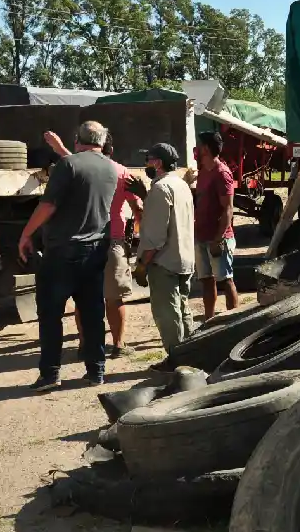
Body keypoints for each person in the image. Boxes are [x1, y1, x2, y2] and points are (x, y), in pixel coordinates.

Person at [19, 121, 116, 391]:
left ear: (77, 139)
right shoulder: (110, 167)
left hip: (63, 251)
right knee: (92, 313)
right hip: (95, 251)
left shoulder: (68, 166)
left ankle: (51, 374)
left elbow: (48, 204)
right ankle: (96, 370)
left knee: (51, 314)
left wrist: (26, 233)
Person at [43, 129, 143, 358]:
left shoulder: (82, 168)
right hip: (113, 239)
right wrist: (140, 234)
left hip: (85, 240)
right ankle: (118, 345)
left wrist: (59, 149)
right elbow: (138, 209)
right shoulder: (121, 172)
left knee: (83, 297)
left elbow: (78, 167)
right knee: (114, 297)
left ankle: (84, 344)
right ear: (111, 150)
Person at [135, 142, 195, 368]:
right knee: (182, 310)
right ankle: (191, 355)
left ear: (158, 163)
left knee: (167, 314)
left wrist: (142, 264)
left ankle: (177, 362)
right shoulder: (181, 185)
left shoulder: (160, 189)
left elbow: (156, 237)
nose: (146, 164)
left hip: (165, 262)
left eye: (148, 159)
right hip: (184, 258)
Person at [193, 130, 239, 321]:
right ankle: (209, 319)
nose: (196, 150)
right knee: (206, 280)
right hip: (201, 235)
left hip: (218, 238)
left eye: (199, 146)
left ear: (205, 148)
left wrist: (218, 239)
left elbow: (228, 208)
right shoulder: (203, 171)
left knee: (225, 280)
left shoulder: (222, 173)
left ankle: (234, 319)